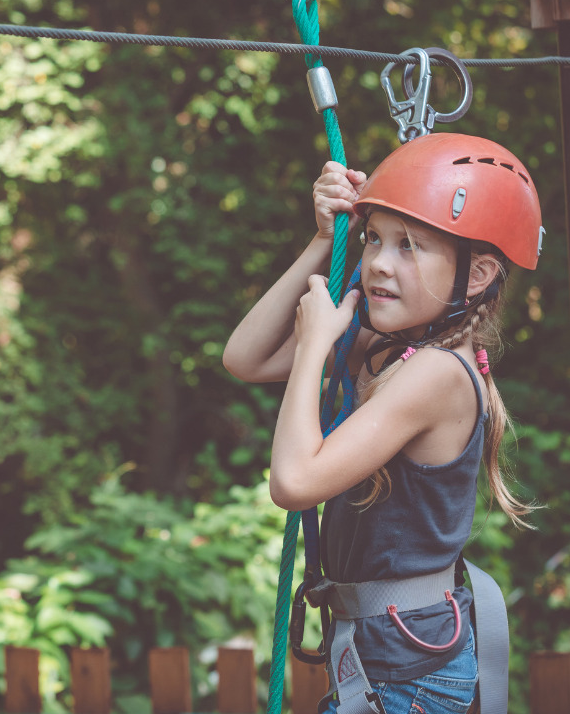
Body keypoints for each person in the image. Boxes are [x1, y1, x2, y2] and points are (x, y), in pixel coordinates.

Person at [224, 133, 544, 714]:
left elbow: (293, 482)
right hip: (386, 657)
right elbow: (244, 358)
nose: (376, 263)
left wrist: (319, 343)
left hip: (408, 674)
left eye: (409, 246)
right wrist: (324, 241)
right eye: (373, 238)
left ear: (477, 276)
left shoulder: (437, 375)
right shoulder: (386, 350)